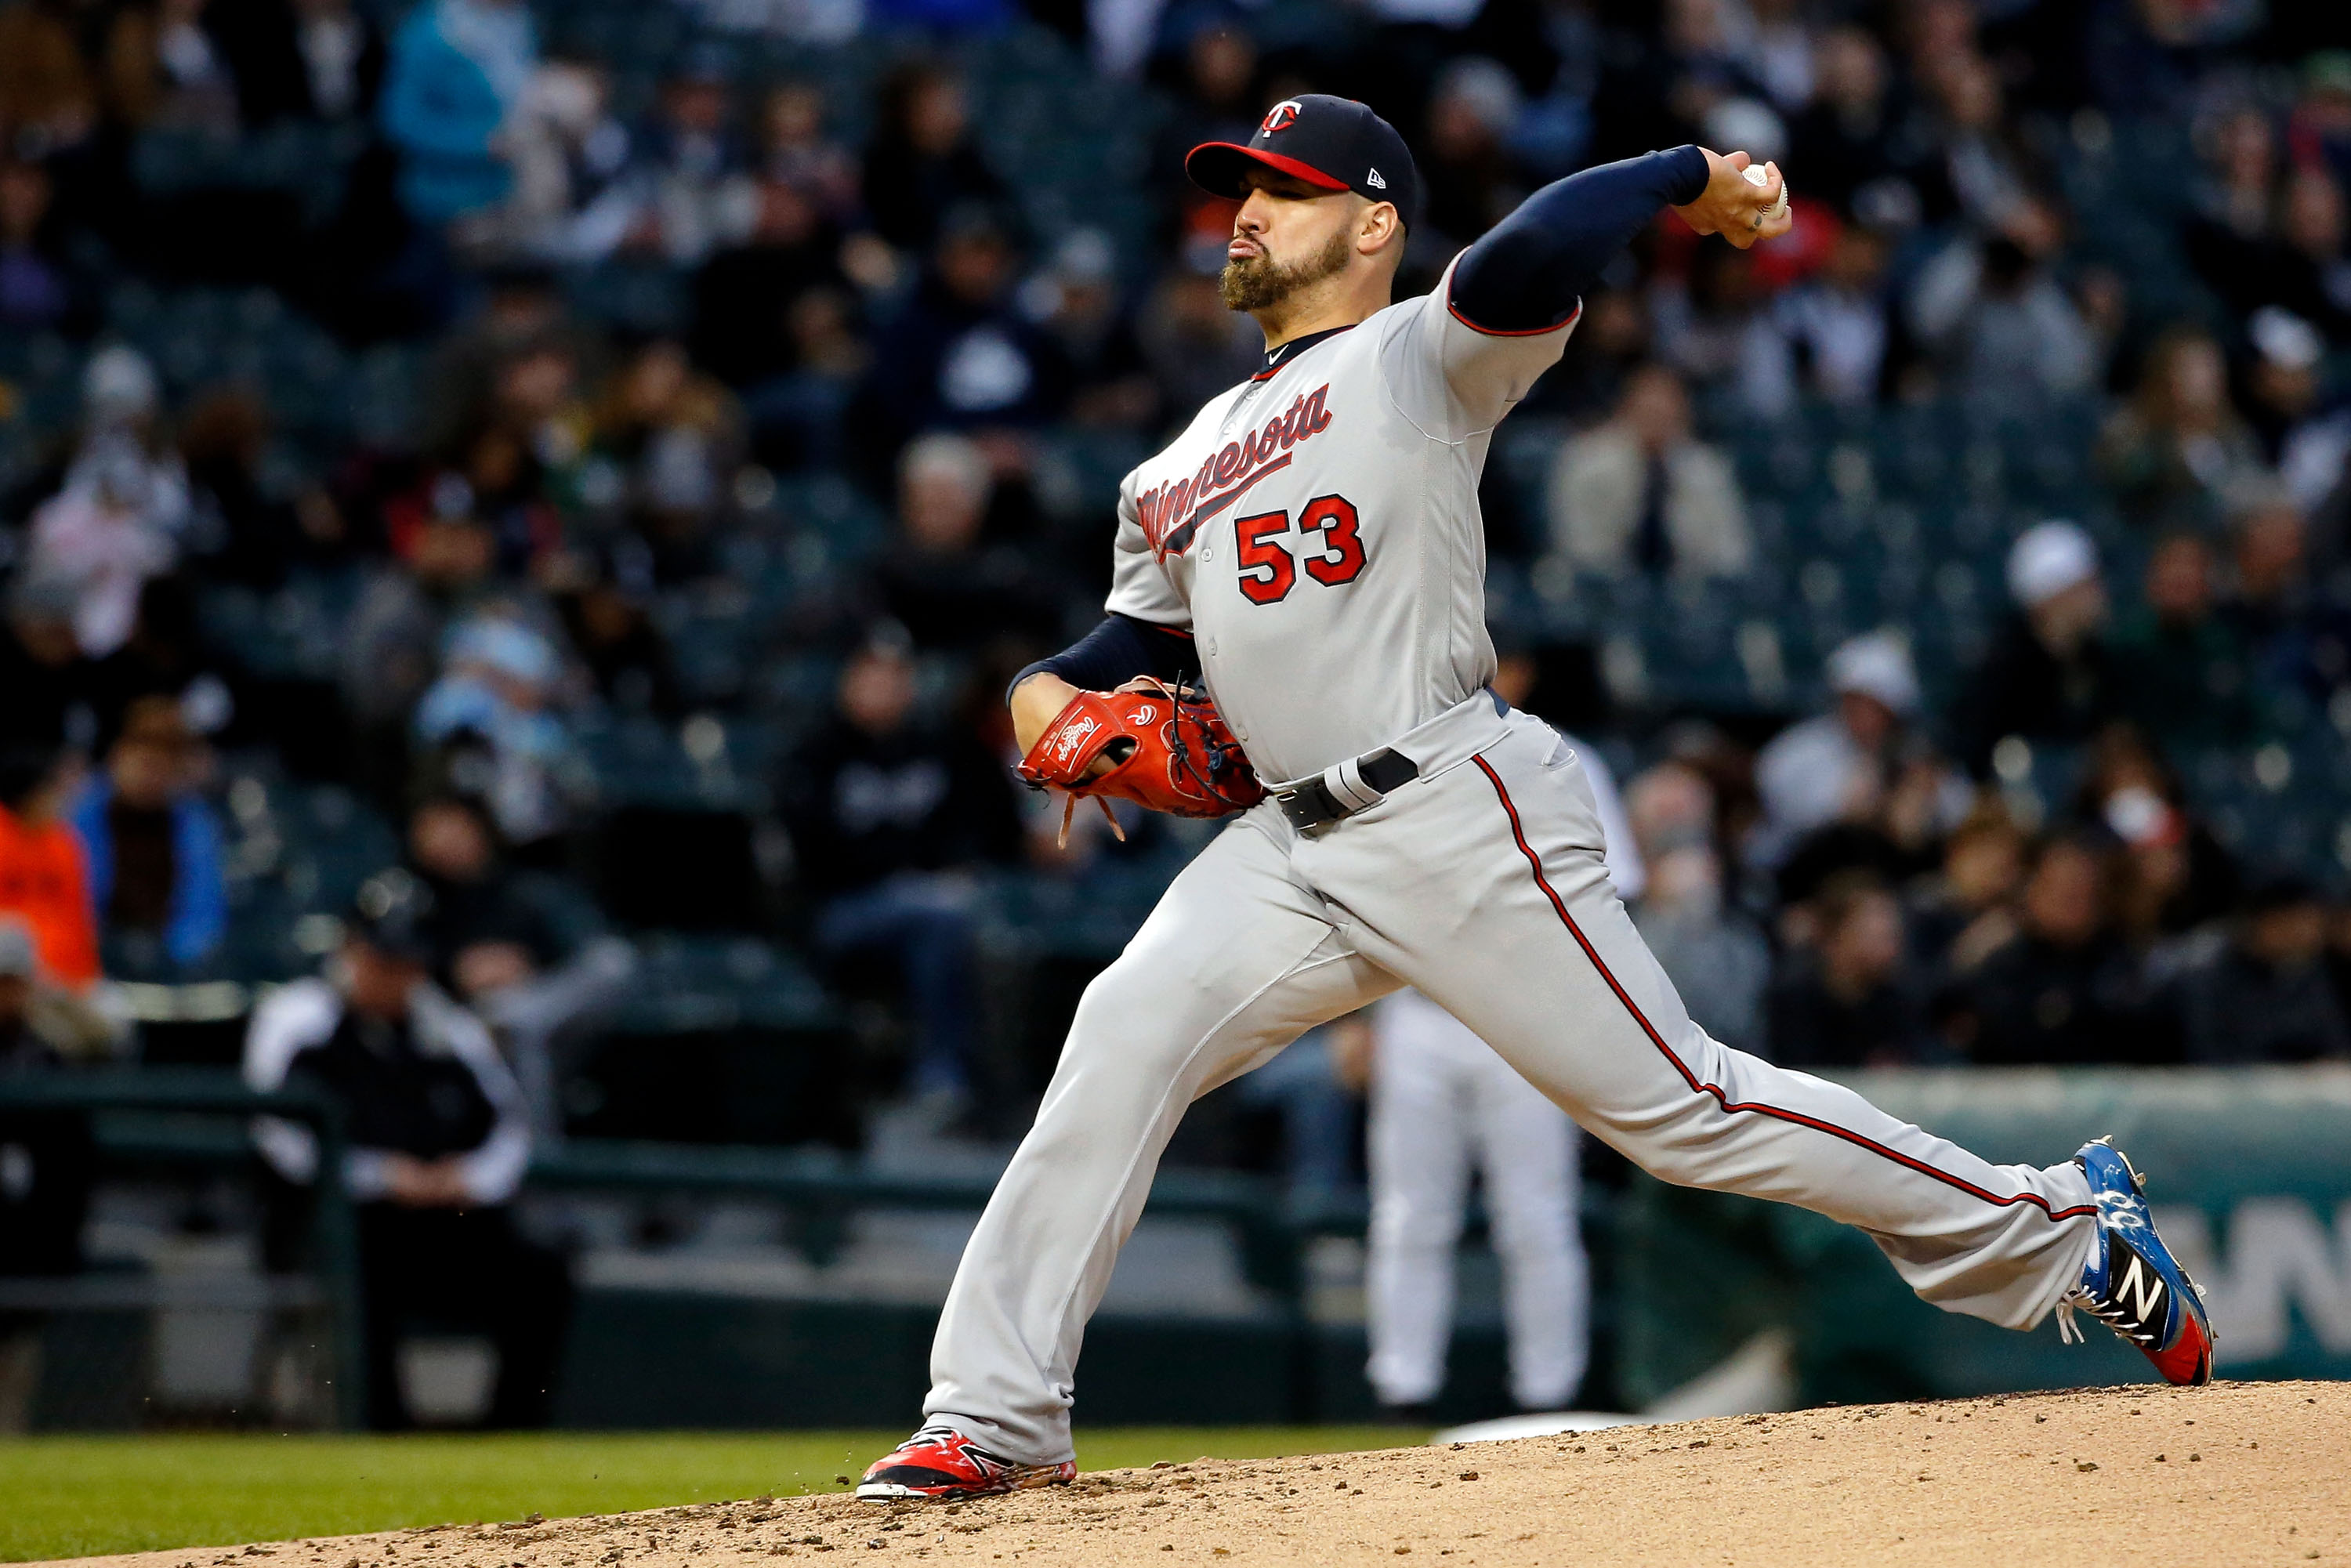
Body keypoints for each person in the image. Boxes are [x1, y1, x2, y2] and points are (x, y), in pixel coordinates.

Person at [857, 97, 2211, 1505]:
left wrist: (1686, 174)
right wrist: (1040, 704)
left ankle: (2062, 1215)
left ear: (1375, 223)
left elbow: (1528, 252)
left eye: (1287, 190)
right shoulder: (1174, 462)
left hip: (1451, 800)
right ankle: (997, 1413)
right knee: (1120, 1031)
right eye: (1239, 189)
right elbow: (1115, 657)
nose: (1246, 212)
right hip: (1288, 846)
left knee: (1683, 1111)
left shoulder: (1420, 356)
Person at [245, 871, 571, 1429]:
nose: (399, 976)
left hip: (437, 1218)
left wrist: (467, 1176)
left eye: (410, 961)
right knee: (362, 1258)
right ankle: (375, 1425)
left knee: (542, 1265)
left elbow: (510, 1127)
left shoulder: (443, 1022)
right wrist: (378, 1175)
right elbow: (278, 1133)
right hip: (335, 1222)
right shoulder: (300, 1016)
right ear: (351, 948)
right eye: (384, 958)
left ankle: (511, 1430)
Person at [778, 628, 1023, 1105]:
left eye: (896, 677)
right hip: (841, 908)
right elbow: (814, 853)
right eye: (873, 676)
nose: (885, 688)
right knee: (944, 914)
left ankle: (988, 1086)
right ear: (849, 682)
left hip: (928, 904)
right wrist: (906, 870)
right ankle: (943, 1075)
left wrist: (941, 869)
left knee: (952, 924)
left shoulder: (936, 747)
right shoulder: (818, 752)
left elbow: (978, 828)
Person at [1544, 360, 1752, 579]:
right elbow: (1576, 544)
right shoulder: (1586, 462)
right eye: (1648, 407)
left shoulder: (1706, 469)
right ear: (1625, 407)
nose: (1657, 416)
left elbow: (1732, 552)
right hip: (1603, 589)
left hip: (1689, 590)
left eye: (1667, 407)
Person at [67, 694, 227, 972]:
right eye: (142, 753)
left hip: (170, 964)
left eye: (165, 758)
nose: (151, 769)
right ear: (117, 753)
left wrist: (170, 962)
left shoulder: (197, 826)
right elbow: (68, 906)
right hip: (91, 962)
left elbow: (203, 916)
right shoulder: (77, 815)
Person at [0, 748, 100, 994]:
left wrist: (86, 977)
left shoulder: (65, 843)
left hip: (64, 977)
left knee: (114, 1017)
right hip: (13, 975)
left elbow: (79, 917)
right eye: (51, 790)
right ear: (28, 795)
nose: (60, 798)